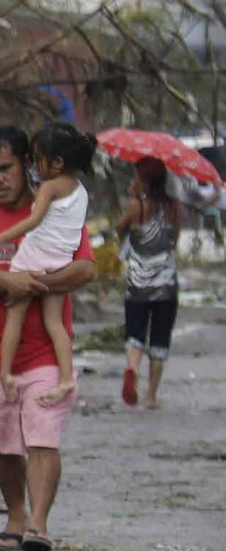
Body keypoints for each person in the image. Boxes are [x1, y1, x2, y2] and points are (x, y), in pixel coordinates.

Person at [0, 126, 95, 551]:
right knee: (3, 444)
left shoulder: (57, 207)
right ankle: (15, 516)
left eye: (5, 168)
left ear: (27, 164)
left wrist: (35, 281)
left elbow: (85, 268)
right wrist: (6, 280)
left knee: (42, 438)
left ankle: (39, 524)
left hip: (48, 351)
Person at [0, 122, 97, 406]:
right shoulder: (79, 190)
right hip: (60, 262)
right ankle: (67, 378)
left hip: (32, 258)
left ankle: (6, 374)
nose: (34, 165)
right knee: (55, 323)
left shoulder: (50, 186)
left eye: (37, 158)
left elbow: (33, 221)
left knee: (14, 320)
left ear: (56, 162)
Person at [115, 157, 182, 410]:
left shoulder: (137, 207)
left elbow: (119, 228)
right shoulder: (174, 207)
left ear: (143, 180)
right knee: (160, 339)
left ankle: (132, 368)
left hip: (137, 283)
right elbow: (174, 241)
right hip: (166, 283)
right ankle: (152, 397)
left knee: (135, 333)